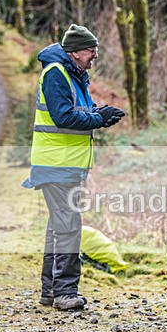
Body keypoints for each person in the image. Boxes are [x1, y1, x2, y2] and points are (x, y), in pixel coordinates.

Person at [23, 24, 125, 311]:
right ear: (76, 51)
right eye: (91, 49)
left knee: (59, 226)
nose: (95, 54)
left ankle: (50, 290)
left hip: (66, 163)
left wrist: (101, 114)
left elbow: (79, 110)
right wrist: (98, 119)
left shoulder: (73, 73)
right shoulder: (56, 73)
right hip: (56, 162)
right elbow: (63, 117)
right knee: (68, 225)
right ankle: (65, 292)